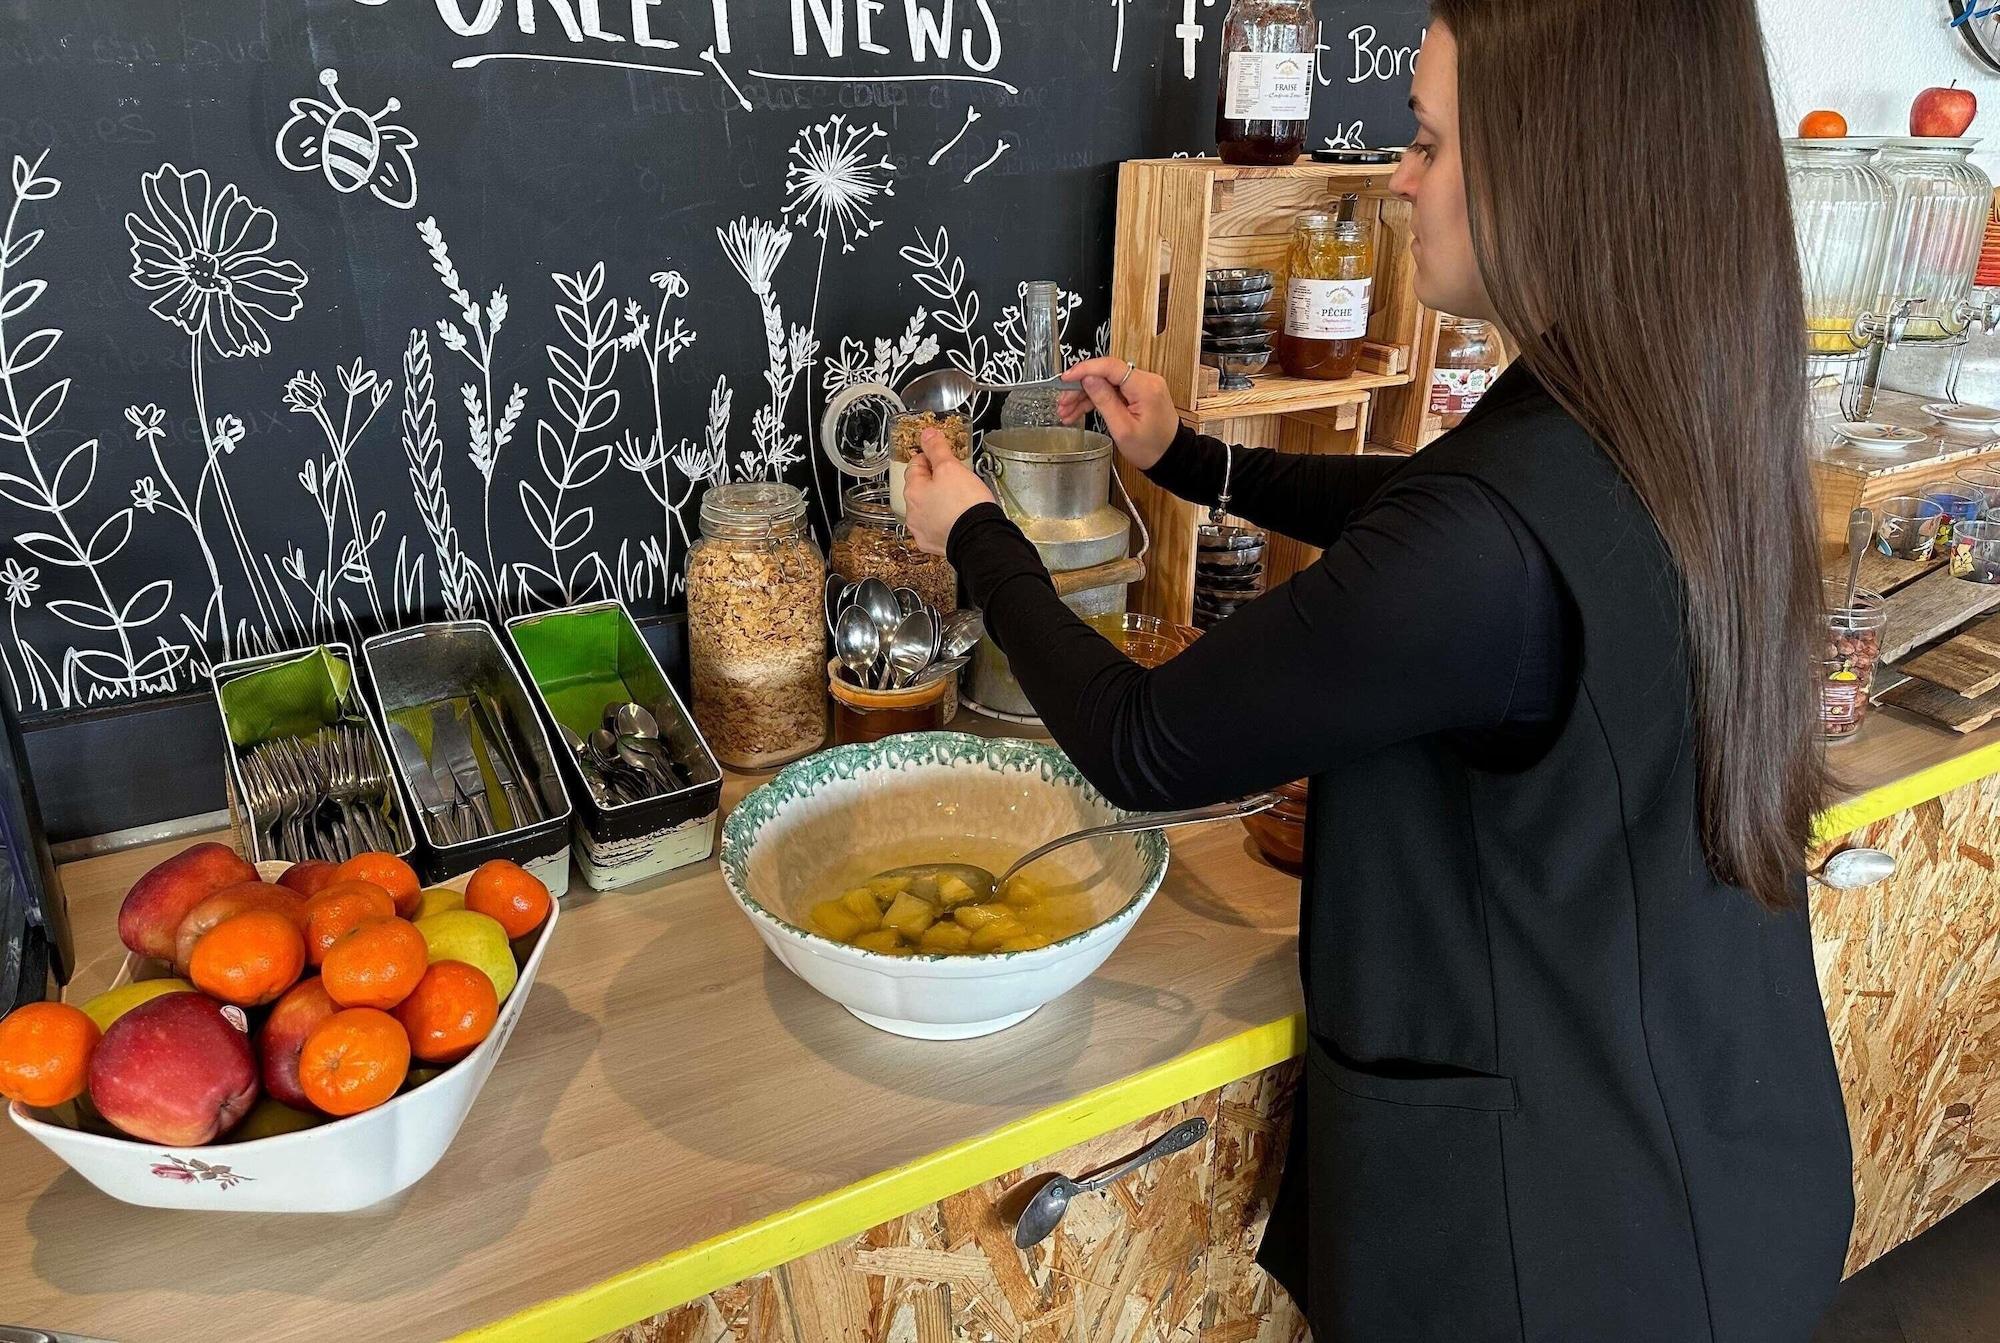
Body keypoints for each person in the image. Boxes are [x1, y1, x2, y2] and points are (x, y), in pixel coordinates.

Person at [902, 1, 1855, 1339]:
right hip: (1733, 1154)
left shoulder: (1491, 541)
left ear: (1560, 170)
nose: (1400, 178)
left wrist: (979, 539)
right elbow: (1427, 504)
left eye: (1427, 140)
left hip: (1558, 1252)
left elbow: (1142, 742)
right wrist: (1192, 457)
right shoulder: (1688, 411)